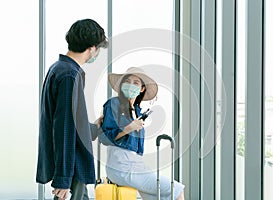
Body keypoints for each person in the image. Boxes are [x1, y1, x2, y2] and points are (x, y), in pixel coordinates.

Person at [36, 19, 108, 200]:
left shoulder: (59, 68)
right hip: (72, 165)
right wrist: (63, 178)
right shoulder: (69, 75)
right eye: (98, 48)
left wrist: (95, 127)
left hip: (71, 164)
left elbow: (71, 123)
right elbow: (64, 128)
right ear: (91, 48)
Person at [101, 67, 185, 200]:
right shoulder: (113, 104)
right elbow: (105, 138)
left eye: (136, 83)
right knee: (176, 189)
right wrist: (129, 128)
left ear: (142, 89)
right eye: (127, 81)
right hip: (120, 165)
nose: (130, 85)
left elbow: (137, 150)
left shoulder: (138, 112)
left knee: (157, 197)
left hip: (135, 164)